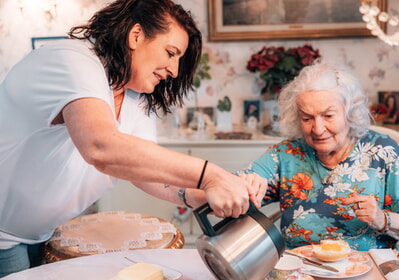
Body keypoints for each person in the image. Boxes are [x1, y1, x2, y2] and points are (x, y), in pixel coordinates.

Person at [0, 0, 266, 276]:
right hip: (5, 237)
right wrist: (212, 177)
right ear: (136, 35)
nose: (174, 70)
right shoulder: (72, 60)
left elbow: (146, 174)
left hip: (43, 232)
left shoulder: (134, 95)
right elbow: (101, 147)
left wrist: (210, 197)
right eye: (170, 52)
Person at [235, 60, 399, 251]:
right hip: (301, 269)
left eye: (328, 116)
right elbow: (229, 190)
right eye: (307, 118)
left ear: (350, 113)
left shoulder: (384, 151)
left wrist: (382, 219)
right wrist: (247, 185)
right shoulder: (286, 153)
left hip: (366, 268)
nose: (318, 129)